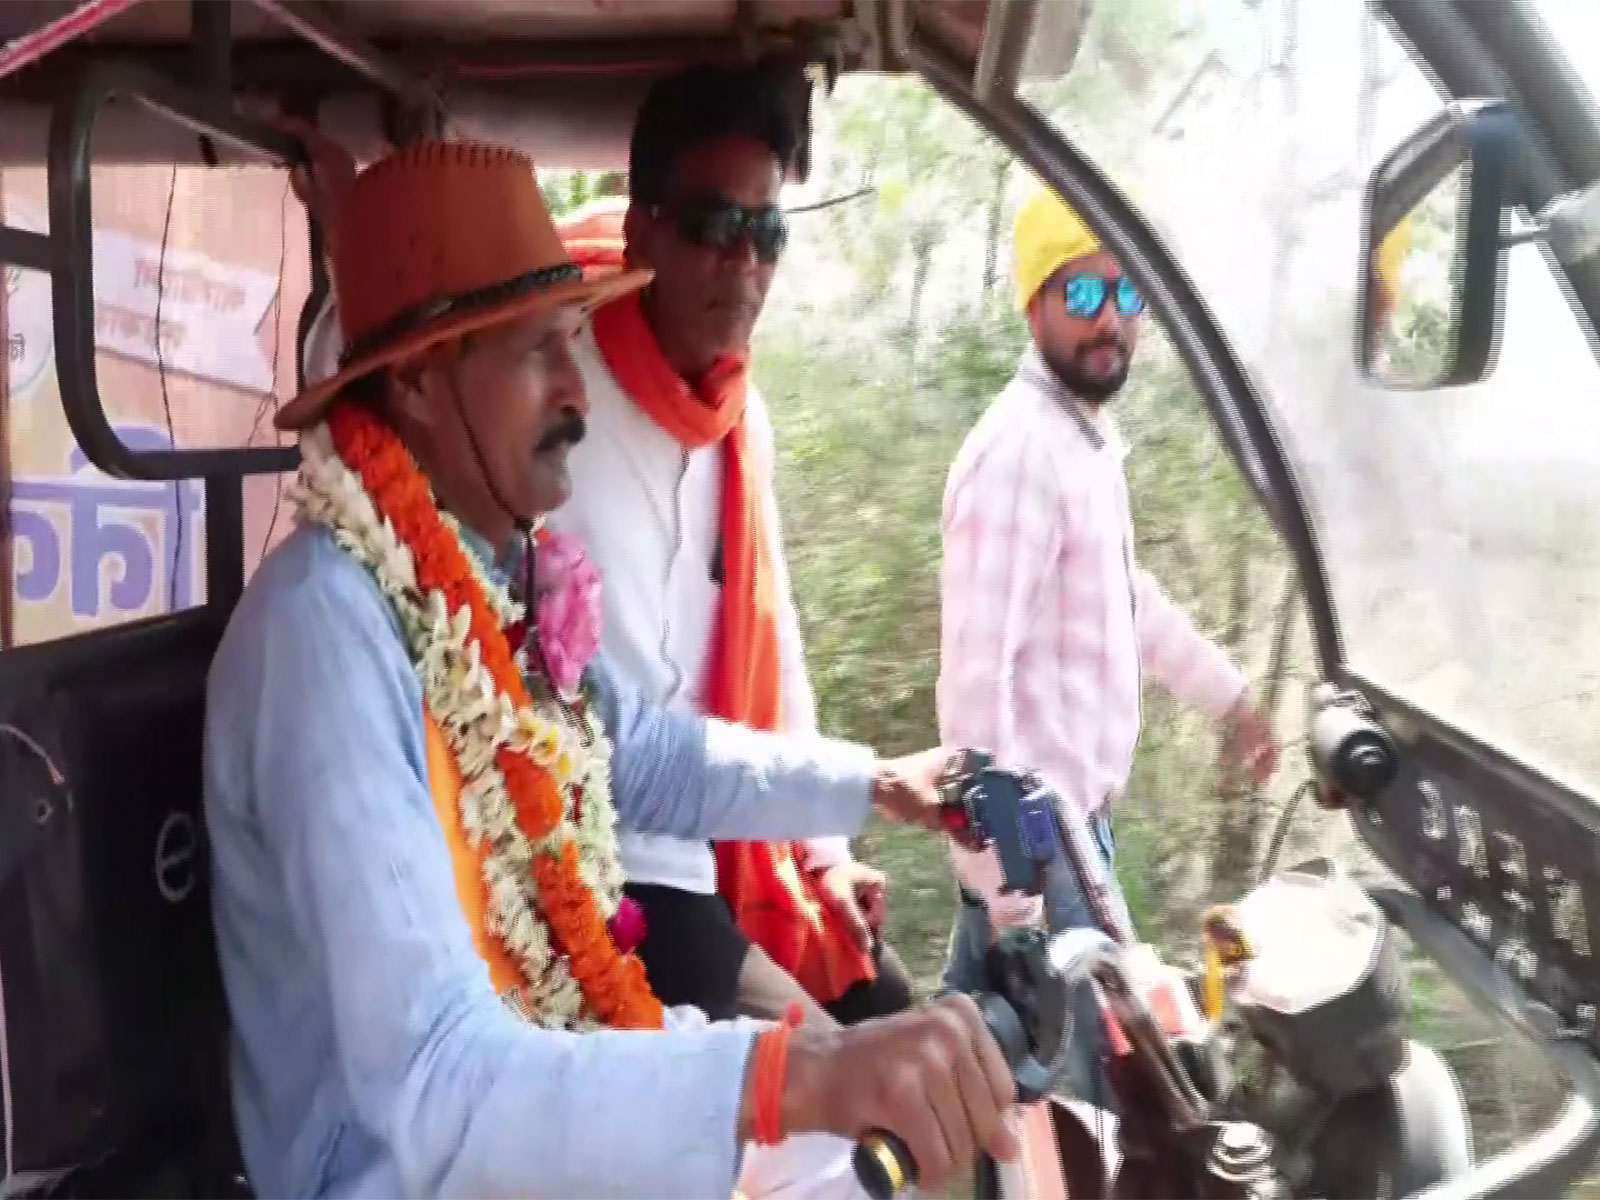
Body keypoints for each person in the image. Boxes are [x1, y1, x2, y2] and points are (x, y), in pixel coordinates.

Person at [207, 139, 1017, 1199]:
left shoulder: (500, 582)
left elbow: (649, 758)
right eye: (538, 352)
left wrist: (874, 783)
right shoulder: (324, 640)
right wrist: (795, 1070)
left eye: (573, 345)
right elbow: (435, 1086)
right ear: (413, 380)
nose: (576, 394)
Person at [300, 59, 914, 1033]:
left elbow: (683, 708)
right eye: (717, 228)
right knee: (841, 1101)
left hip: (679, 838)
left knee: (898, 1021)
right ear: (644, 230)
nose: (744, 264)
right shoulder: (345, 608)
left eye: (767, 235)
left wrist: (837, 832)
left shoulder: (734, 424)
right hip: (595, 872)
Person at [937, 185, 1281, 1099]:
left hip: (1068, 842)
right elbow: (975, 689)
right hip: (1042, 857)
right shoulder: (1019, 454)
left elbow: (1127, 603)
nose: (1111, 323)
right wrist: (1015, 889)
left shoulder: (1081, 442)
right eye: (1083, 296)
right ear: (1035, 302)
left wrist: (1231, 696)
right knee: (1101, 1118)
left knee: (999, 1101)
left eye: (1126, 297)